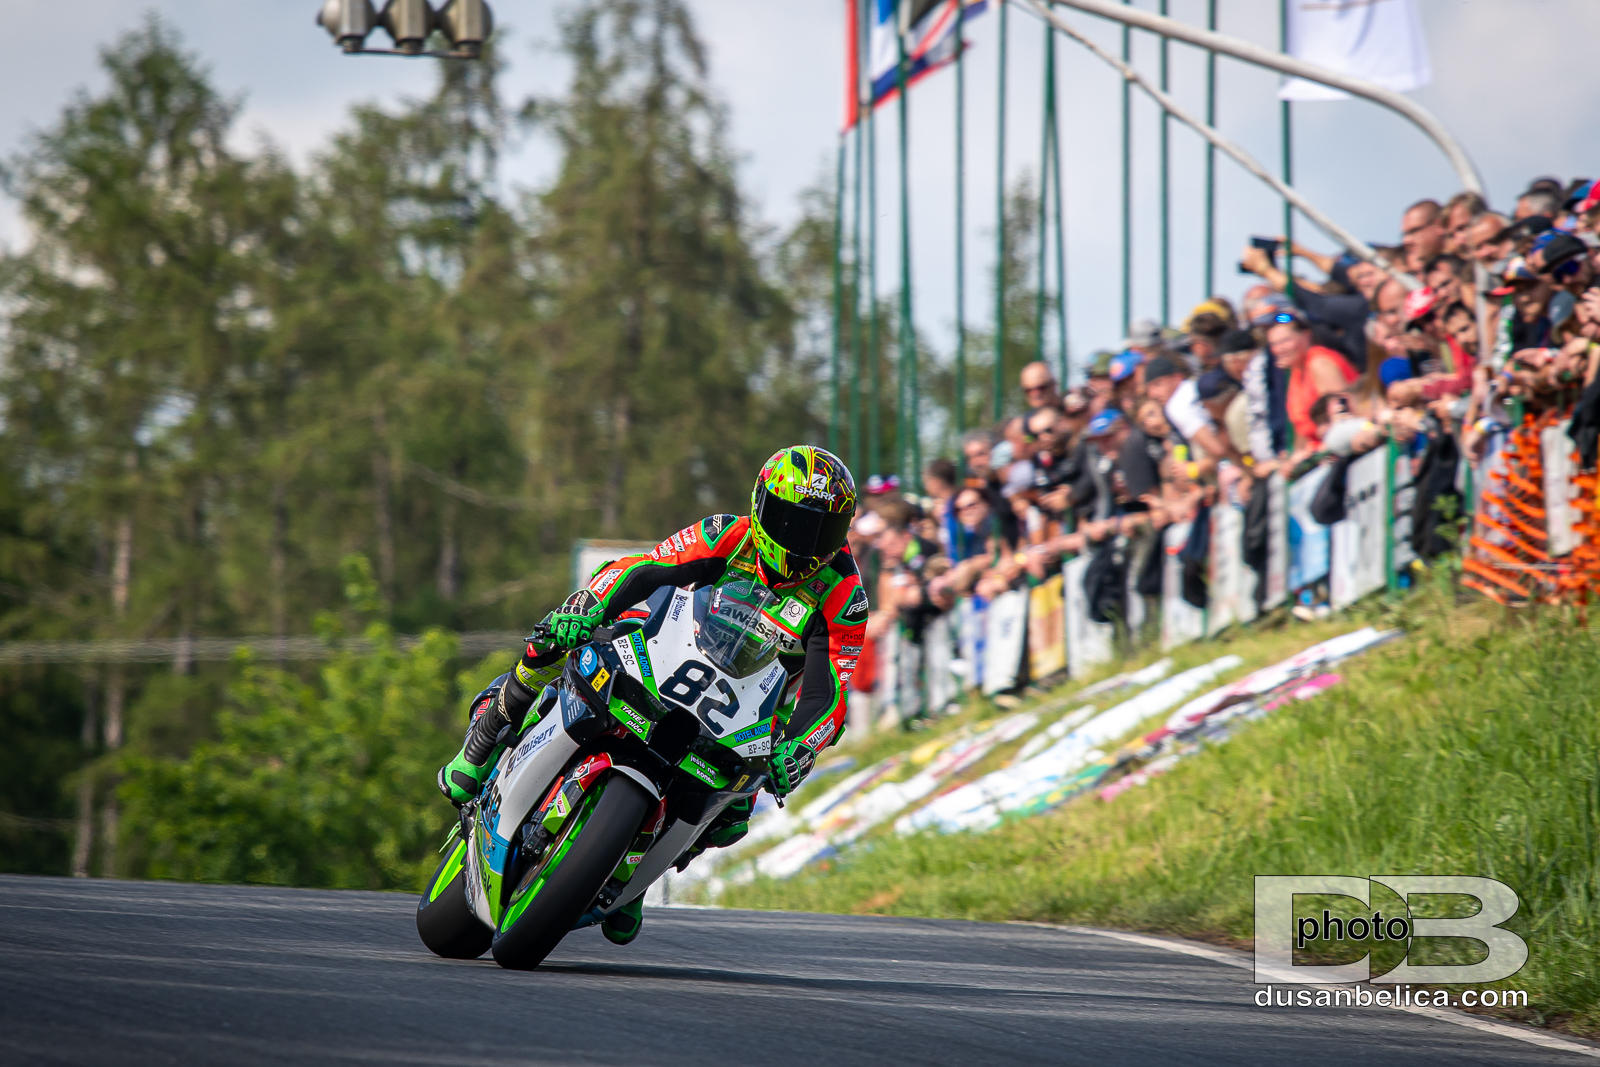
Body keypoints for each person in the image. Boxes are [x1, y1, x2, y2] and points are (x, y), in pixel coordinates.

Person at [435, 446, 866, 945]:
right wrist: (589, 606)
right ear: (760, 505)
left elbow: (831, 689)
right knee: (553, 641)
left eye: (821, 531)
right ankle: (483, 742)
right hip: (668, 645)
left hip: (750, 703)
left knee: (733, 815)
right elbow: (645, 568)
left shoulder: (845, 594)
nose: (803, 543)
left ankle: (638, 877)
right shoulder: (727, 533)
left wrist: (802, 746)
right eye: (792, 523)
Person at [1267, 310, 1358, 452]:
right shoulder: (1296, 370)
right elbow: (1302, 429)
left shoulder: (1319, 363)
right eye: (1274, 344)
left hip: (1342, 448)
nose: (1280, 349)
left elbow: (1343, 417)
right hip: (1318, 451)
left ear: (1306, 335)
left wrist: (1315, 451)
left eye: (1285, 341)